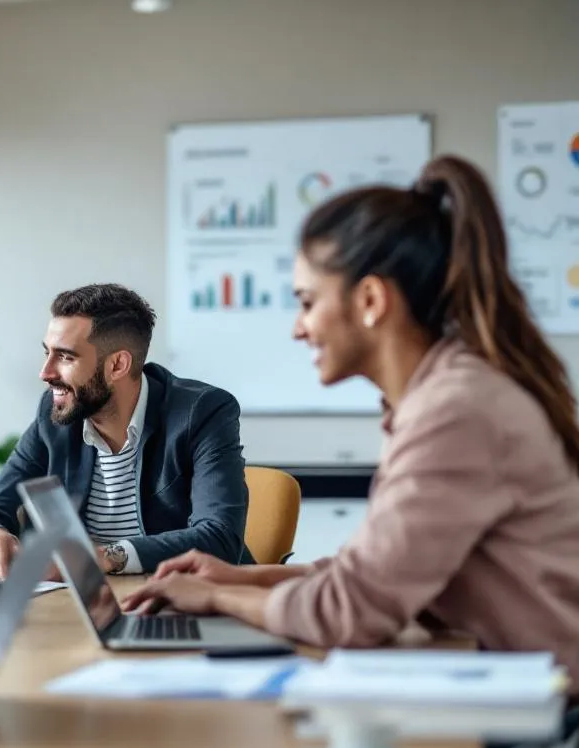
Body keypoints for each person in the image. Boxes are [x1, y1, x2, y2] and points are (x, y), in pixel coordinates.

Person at [120, 155, 579, 699]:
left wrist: (217, 600)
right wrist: (244, 577)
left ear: (370, 300)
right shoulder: (443, 395)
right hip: (517, 685)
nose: (298, 329)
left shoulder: (455, 411)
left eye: (308, 302)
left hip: (549, 714)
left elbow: (352, 611)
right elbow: (375, 572)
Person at [0, 284, 252, 581]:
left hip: (181, 601)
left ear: (117, 365)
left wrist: (103, 557)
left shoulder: (201, 412)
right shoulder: (56, 415)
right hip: (84, 605)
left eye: (66, 357)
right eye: (47, 353)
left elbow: (218, 538)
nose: (45, 373)